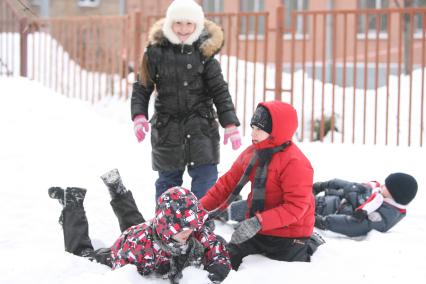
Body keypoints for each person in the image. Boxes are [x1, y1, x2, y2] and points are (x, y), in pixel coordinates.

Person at [131, 0, 241, 200]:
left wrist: (230, 123)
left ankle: (201, 224)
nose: (183, 29)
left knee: (206, 179)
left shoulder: (205, 54)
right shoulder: (155, 53)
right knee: (168, 182)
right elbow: (142, 85)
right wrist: (139, 115)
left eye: (189, 24)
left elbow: (219, 90)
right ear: (169, 24)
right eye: (178, 23)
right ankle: (167, 225)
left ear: (197, 25)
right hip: (167, 128)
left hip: (201, 127)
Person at [48, 169, 231, 284]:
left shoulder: (190, 229)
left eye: (191, 227)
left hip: (149, 234)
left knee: (137, 223)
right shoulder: (137, 248)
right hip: (128, 247)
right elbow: (120, 273)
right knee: (84, 256)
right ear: (168, 227)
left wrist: (219, 266)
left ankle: (118, 190)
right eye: (182, 229)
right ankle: (73, 204)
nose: (189, 233)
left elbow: (214, 244)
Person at [200, 101, 317, 270]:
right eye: (253, 127)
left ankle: (310, 245)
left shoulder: (296, 163)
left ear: (277, 131)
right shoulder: (253, 153)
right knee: (223, 261)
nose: (253, 133)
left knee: (271, 274)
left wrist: (258, 222)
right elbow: (225, 186)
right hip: (258, 229)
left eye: (260, 129)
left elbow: (296, 207)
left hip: (290, 236)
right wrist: (197, 211)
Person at [314, 173, 418, 237]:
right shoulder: (378, 193)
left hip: (325, 211)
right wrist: (323, 186)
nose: (382, 185)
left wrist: (323, 222)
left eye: (386, 186)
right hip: (327, 200)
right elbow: (352, 187)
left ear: (393, 194)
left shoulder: (383, 216)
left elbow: (355, 225)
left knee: (300, 204)